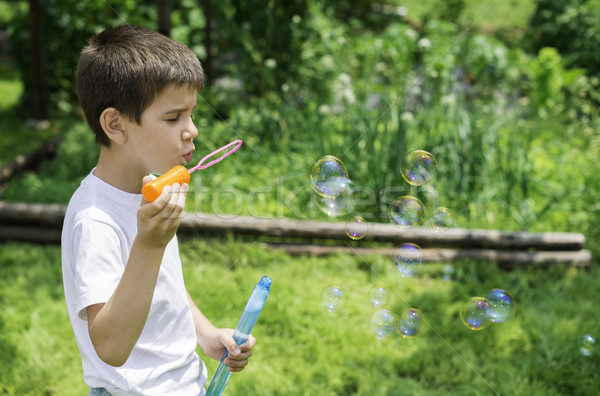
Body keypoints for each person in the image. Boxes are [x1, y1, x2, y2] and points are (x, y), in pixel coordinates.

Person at [61, 25, 255, 395]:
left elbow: (165, 287)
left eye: (192, 115)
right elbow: (111, 348)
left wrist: (206, 333)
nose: (192, 131)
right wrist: (149, 246)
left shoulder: (149, 190)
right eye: (173, 118)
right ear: (115, 124)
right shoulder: (95, 219)